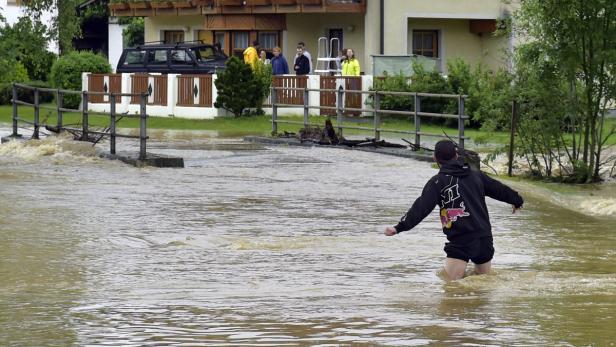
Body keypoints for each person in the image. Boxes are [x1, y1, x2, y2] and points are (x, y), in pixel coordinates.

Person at [384, 140, 524, 281]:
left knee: (451, 287)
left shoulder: (437, 182)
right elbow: (498, 189)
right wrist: (516, 200)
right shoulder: (476, 175)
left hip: (462, 240)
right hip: (485, 239)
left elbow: (421, 208)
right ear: (456, 156)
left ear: (435, 158)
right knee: (484, 286)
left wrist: (399, 227)